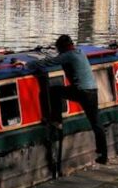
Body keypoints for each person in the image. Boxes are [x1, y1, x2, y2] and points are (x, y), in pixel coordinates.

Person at [34, 35, 107, 164]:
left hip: (81, 91)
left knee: (54, 91)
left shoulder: (68, 55)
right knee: (96, 123)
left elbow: (48, 62)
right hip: (92, 91)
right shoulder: (79, 52)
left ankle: (57, 120)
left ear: (62, 47)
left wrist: (27, 64)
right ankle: (103, 154)